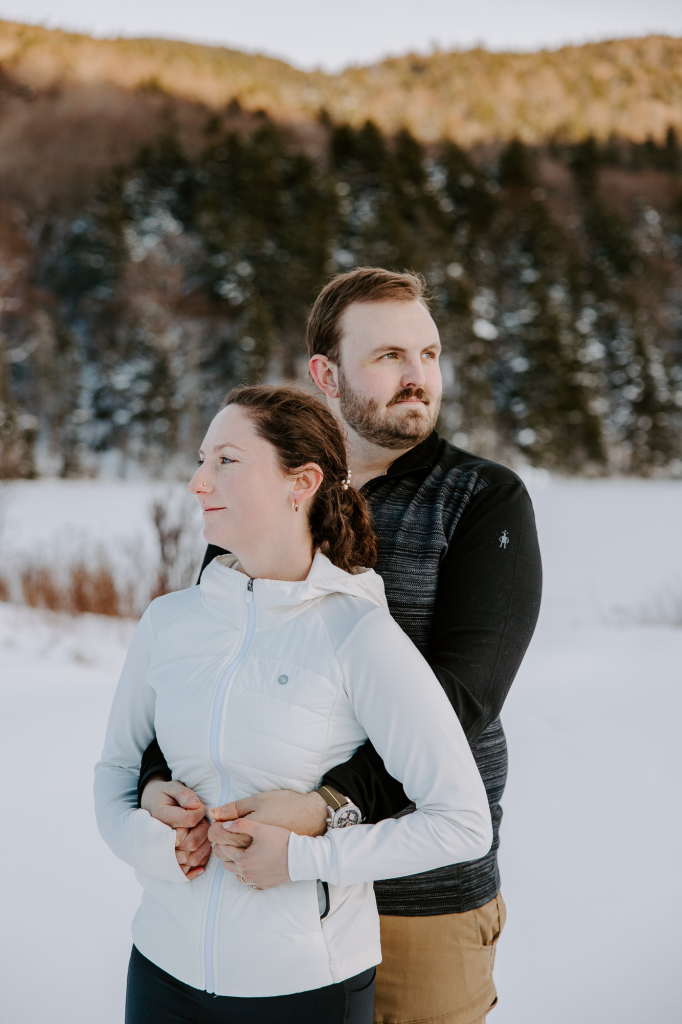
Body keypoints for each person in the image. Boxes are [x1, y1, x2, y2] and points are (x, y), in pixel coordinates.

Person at [139, 268, 543, 1024]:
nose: (418, 375)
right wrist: (161, 780)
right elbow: (203, 668)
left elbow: (464, 700)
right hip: (270, 895)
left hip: (418, 901)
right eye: (390, 355)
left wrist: (328, 808)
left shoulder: (481, 500)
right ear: (326, 373)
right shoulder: (262, 497)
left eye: (429, 353)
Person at [94, 384, 493, 1024]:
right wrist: (149, 839)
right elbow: (115, 770)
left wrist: (303, 859)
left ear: (300, 482)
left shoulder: (357, 633)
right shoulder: (169, 621)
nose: (198, 482)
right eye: (201, 460)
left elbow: (462, 823)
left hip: (306, 985)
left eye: (226, 461)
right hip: (162, 968)